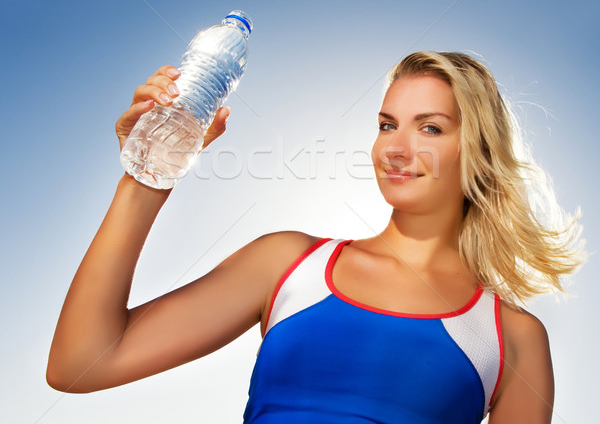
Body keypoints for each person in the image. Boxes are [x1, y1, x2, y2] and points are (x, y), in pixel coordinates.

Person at [47, 51, 585, 423]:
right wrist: (146, 175)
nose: (394, 148)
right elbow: (81, 362)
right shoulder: (288, 267)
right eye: (385, 124)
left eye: (430, 128)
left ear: (480, 152)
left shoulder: (511, 339)